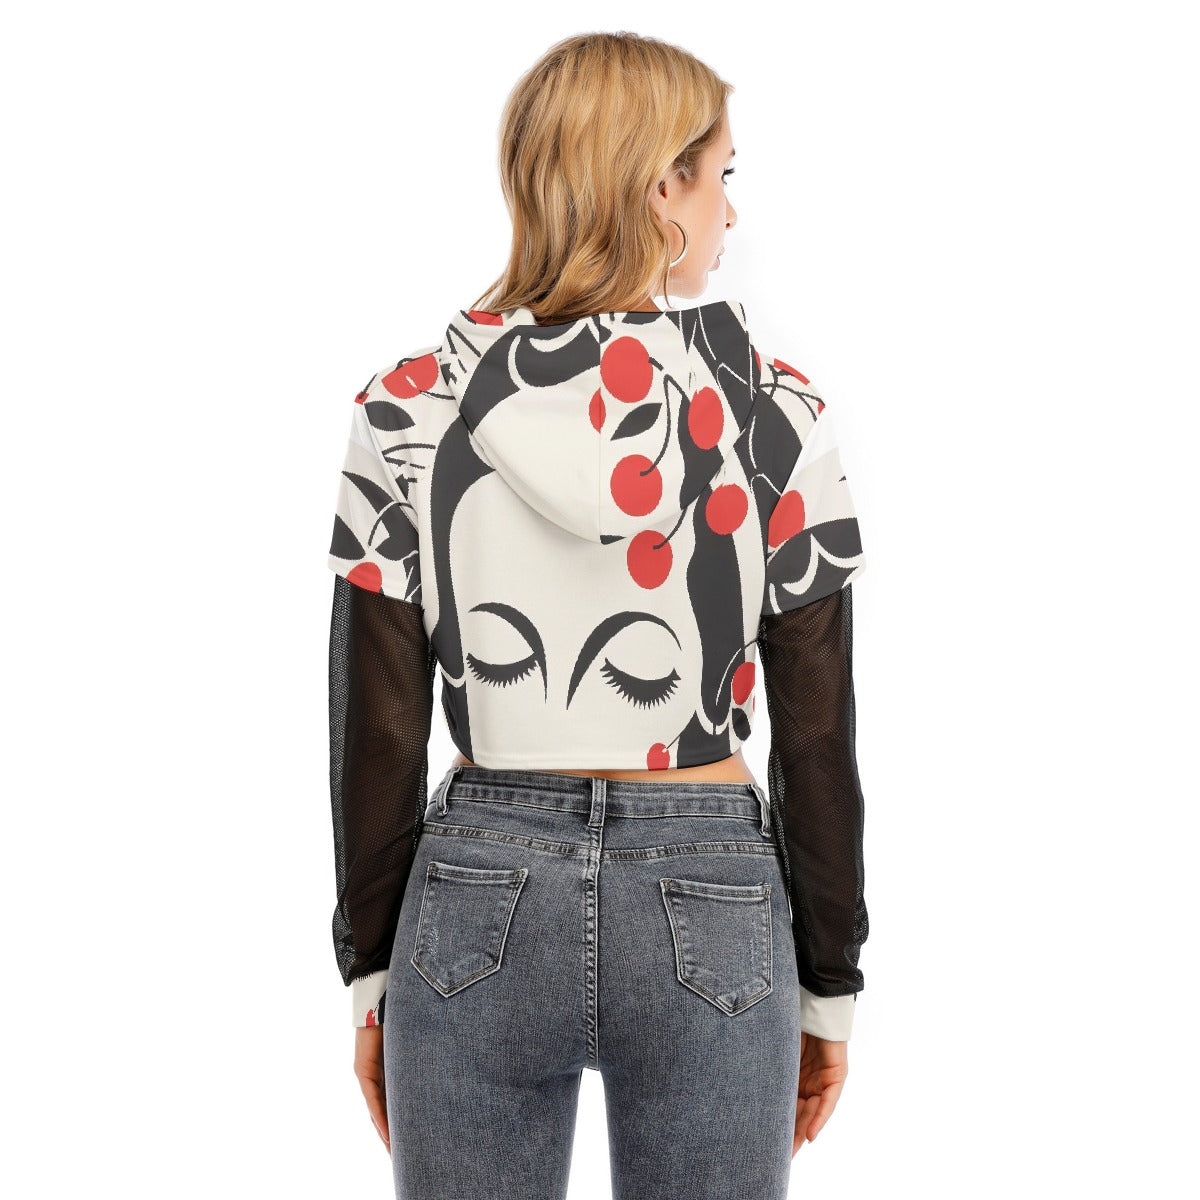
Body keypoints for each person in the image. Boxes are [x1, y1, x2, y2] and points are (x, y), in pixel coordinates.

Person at [325, 31, 869, 1200]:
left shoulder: (408, 409)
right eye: (721, 175)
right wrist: (830, 980)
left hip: (477, 890)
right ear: (662, 187)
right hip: (712, 895)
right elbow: (818, 731)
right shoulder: (774, 414)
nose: (731, 210)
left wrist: (371, 973)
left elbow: (380, 727)